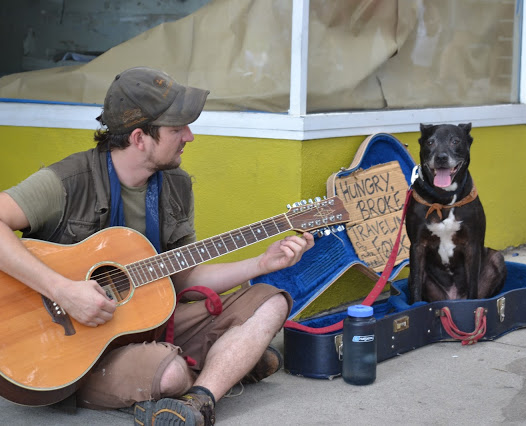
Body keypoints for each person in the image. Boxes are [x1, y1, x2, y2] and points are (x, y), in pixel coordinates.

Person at [0, 66, 314, 425]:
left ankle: (199, 399)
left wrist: (260, 264)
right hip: (75, 348)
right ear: (139, 138)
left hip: (150, 323)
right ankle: (224, 365)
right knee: (170, 374)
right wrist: (63, 290)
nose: (189, 136)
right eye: (177, 129)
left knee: (271, 301)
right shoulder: (67, 182)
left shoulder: (176, 186)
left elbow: (184, 277)